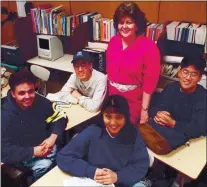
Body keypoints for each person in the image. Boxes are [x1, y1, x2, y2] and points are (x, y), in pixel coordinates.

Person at [56, 95, 150, 187]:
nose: (113, 123)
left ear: (126, 118)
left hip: (124, 181)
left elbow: (141, 166)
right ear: (102, 115)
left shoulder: (133, 134)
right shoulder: (93, 131)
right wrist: (92, 171)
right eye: (108, 117)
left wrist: (118, 176)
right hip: (95, 181)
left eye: (118, 117)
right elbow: (64, 156)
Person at [2, 71, 68, 181]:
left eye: (31, 91)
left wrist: (53, 137)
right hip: (25, 156)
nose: (27, 96)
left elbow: (61, 116)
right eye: (21, 93)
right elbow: (3, 151)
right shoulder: (5, 116)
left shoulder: (39, 100)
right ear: (13, 93)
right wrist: (32, 151)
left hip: (48, 147)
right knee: (45, 166)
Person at [138, 56, 207, 155]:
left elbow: (200, 128)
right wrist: (158, 114)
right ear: (179, 72)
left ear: (199, 78)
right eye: (185, 72)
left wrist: (173, 123)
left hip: (184, 139)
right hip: (160, 129)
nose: (188, 77)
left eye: (194, 74)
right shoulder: (171, 88)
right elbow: (155, 106)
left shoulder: (203, 96)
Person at [106, 2, 160, 125]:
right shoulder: (113, 42)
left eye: (129, 22)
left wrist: (144, 110)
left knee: (123, 133)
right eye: (121, 22)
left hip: (133, 102)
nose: (124, 26)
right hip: (112, 98)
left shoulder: (149, 47)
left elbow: (150, 82)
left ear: (137, 25)